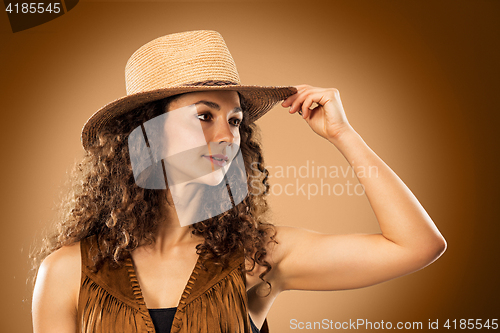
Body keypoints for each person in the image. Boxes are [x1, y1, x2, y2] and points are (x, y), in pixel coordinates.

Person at [31, 30, 446, 333]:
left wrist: (343, 135)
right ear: (148, 132)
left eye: (235, 121)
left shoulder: (257, 257)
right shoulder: (68, 272)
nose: (229, 136)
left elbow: (416, 246)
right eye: (203, 116)